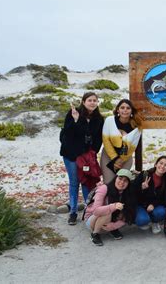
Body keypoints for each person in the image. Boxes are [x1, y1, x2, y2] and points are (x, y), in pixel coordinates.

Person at [60, 92, 104, 225]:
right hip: (71, 155)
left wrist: (92, 153)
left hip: (86, 157)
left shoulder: (99, 118)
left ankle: (88, 210)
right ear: (83, 102)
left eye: (95, 100)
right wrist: (75, 120)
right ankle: (73, 212)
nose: (92, 103)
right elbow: (66, 133)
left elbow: (98, 139)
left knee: (87, 182)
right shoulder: (74, 113)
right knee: (74, 182)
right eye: (89, 100)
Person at [84, 169, 136, 246]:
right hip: (92, 219)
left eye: (125, 181)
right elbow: (95, 211)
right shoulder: (104, 188)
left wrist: (114, 226)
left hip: (109, 221)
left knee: (124, 212)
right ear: (115, 178)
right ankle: (95, 234)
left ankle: (112, 230)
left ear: (128, 184)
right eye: (120, 178)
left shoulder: (128, 193)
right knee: (108, 211)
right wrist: (114, 206)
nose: (122, 182)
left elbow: (129, 214)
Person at [101, 99, 142, 184]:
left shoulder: (137, 126)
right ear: (118, 110)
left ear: (131, 111)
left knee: (121, 183)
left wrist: (121, 160)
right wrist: (115, 158)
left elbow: (133, 147)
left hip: (125, 158)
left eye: (128, 108)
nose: (125, 110)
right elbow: (106, 141)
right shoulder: (109, 120)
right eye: (122, 107)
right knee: (109, 183)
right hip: (108, 156)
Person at [134, 156, 166, 234]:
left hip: (154, 205)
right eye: (161, 163)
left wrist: (153, 204)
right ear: (155, 164)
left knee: (162, 211)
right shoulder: (144, 175)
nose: (162, 166)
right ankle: (146, 218)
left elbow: (165, 198)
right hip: (141, 204)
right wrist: (141, 188)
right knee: (142, 220)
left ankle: (155, 222)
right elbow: (132, 192)